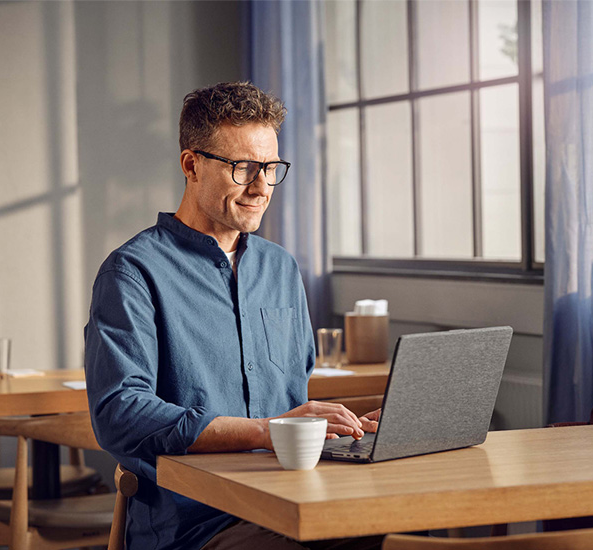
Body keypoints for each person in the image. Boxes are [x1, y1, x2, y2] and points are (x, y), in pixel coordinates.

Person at [84, 82, 382, 550]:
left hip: (293, 500)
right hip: (196, 525)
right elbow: (120, 413)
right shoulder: (132, 273)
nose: (261, 187)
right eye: (243, 168)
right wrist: (266, 433)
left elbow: (290, 400)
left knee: (400, 530)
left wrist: (347, 430)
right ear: (191, 165)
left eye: (270, 168)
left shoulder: (281, 268)